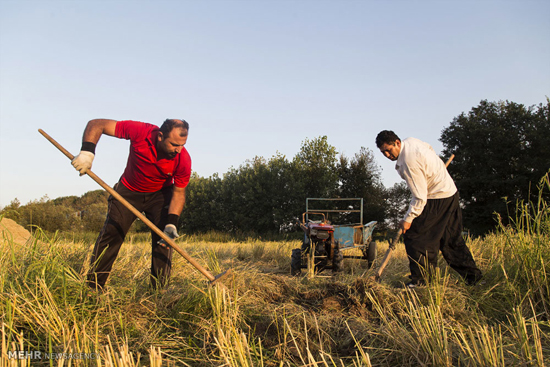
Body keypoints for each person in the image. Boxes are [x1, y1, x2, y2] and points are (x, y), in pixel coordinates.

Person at [71, 118, 191, 291]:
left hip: (159, 196)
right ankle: (93, 287)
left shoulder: (183, 160)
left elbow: (179, 193)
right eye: (174, 144)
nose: (178, 150)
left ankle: (159, 293)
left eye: (182, 145)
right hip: (128, 191)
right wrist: (87, 153)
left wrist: (172, 222)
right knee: (113, 233)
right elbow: (97, 124)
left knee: (164, 241)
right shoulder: (141, 132)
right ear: (160, 136)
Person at [375, 130, 482, 287]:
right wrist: (435, 170)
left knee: (416, 237)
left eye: (388, 150)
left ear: (397, 143)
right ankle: (475, 278)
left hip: (436, 196)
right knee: (450, 240)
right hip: (450, 192)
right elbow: (429, 148)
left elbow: (420, 197)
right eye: (383, 152)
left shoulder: (408, 162)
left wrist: (408, 219)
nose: (387, 155)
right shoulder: (411, 141)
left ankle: (421, 282)